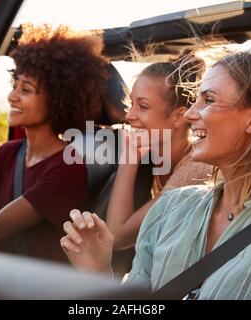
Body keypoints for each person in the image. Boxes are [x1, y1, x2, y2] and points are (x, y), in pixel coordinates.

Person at [60, 51, 251, 299]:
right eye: (196, 100)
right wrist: (98, 272)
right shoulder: (170, 209)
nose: (191, 114)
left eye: (209, 100)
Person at [0, 24, 110, 262]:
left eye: (25, 89)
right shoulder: (9, 152)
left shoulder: (68, 168)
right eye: (15, 85)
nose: (11, 96)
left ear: (58, 99)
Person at [70, 57, 213, 253]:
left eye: (143, 106)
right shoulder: (152, 158)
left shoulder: (195, 168)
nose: (129, 116)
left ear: (179, 116)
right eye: (131, 104)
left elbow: (116, 237)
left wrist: (130, 157)